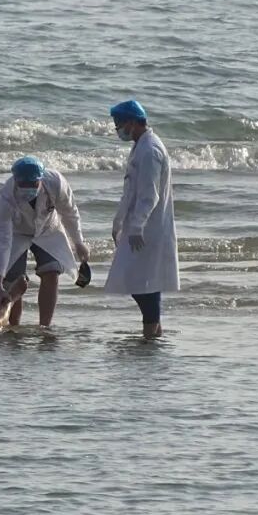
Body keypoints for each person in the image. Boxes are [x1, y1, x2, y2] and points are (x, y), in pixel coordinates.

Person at [103, 100, 180, 339]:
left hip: (148, 228)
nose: (118, 129)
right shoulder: (140, 146)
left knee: (144, 282)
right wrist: (118, 222)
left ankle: (151, 334)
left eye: (120, 123)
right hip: (138, 224)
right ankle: (154, 331)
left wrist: (137, 226)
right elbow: (130, 190)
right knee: (138, 280)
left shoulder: (150, 150)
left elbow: (149, 195)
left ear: (134, 122)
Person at [0, 156, 90, 327]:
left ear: (41, 179)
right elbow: (2, 240)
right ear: (15, 180)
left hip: (48, 229)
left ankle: (45, 326)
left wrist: (78, 242)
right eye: (23, 184)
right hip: (17, 234)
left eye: (33, 184)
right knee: (13, 281)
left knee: (51, 271)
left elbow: (69, 213)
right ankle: (14, 327)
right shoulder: (5, 198)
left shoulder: (56, 182)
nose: (28, 188)